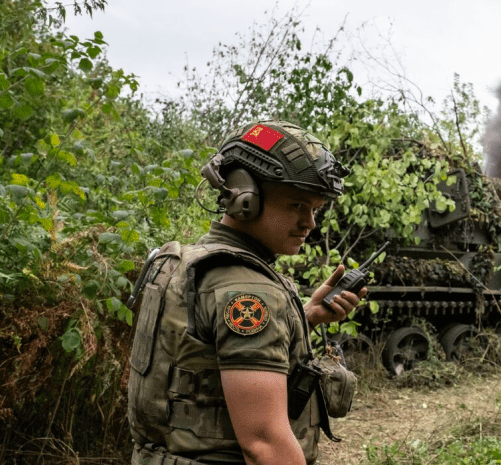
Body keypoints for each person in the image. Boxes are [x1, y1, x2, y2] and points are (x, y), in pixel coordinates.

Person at [126, 120, 365, 465]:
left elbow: (201, 357)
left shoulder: (182, 261)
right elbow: (265, 445)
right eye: (297, 205)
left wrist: (307, 316)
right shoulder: (245, 287)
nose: (309, 223)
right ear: (243, 196)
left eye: (315, 209)